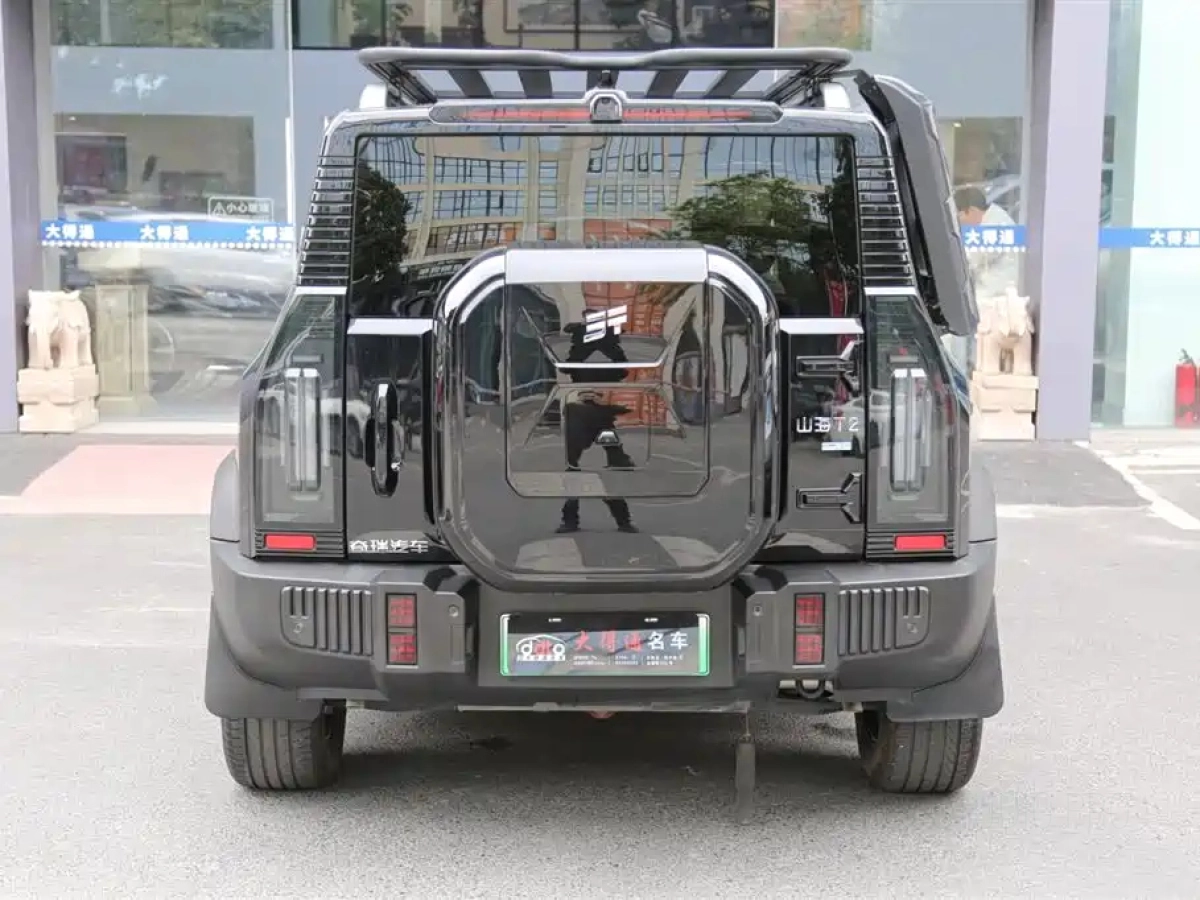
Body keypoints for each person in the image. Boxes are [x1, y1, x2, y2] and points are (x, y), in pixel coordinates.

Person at [556, 314, 638, 534]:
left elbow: (620, 370)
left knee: (588, 466)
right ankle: (619, 520)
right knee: (580, 466)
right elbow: (621, 370)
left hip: (593, 416)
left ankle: (577, 520)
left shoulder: (591, 348)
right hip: (590, 415)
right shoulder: (594, 349)